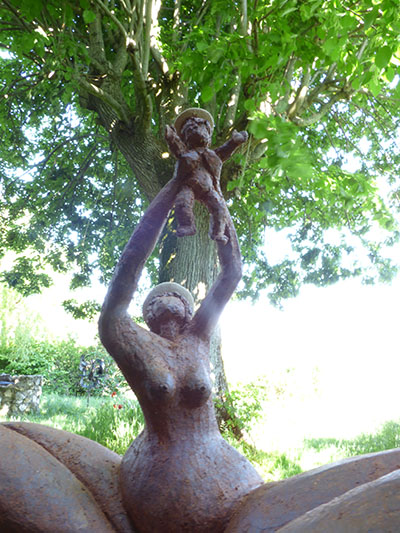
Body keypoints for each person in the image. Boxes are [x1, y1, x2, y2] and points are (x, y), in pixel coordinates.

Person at [98, 159, 263, 532]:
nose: (165, 298)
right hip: (156, 482)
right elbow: (128, 266)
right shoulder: (129, 340)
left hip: (225, 471)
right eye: (154, 298)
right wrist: (173, 186)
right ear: (145, 315)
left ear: (191, 313)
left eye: (176, 295)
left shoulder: (199, 339)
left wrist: (214, 197)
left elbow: (232, 272)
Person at [165, 108, 248, 244]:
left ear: (208, 134)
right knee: (182, 202)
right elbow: (176, 146)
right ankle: (187, 225)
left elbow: (225, 151)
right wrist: (171, 137)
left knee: (219, 208)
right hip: (188, 185)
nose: (194, 130)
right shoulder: (185, 152)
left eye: (198, 127)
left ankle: (218, 232)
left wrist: (234, 142)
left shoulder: (213, 155)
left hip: (208, 188)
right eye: (189, 130)